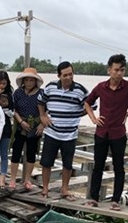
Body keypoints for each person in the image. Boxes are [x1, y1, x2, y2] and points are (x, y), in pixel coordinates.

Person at [84, 54, 128, 210]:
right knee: (98, 166)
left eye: (122, 70)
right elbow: (87, 102)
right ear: (109, 70)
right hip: (101, 132)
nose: (119, 73)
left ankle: (115, 200)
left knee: (118, 167)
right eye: (116, 70)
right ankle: (93, 198)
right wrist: (93, 118)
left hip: (118, 133)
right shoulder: (101, 87)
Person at [38, 61, 90, 200]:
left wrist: (76, 115)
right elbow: (41, 102)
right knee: (46, 162)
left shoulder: (80, 90)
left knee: (68, 163)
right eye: (65, 75)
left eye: (71, 74)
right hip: (51, 132)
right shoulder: (50, 87)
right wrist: (42, 116)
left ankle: (64, 189)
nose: (68, 77)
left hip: (70, 134)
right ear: (59, 76)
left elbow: (91, 105)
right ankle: (45, 188)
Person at [8, 68, 45, 191]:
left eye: (31, 80)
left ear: (35, 81)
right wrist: (21, 121)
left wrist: (42, 124)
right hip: (20, 124)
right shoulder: (18, 93)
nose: (29, 83)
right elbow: (13, 109)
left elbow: (46, 111)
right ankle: (13, 179)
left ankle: (27, 179)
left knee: (31, 154)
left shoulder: (41, 94)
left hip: (35, 126)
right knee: (16, 152)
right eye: (27, 80)